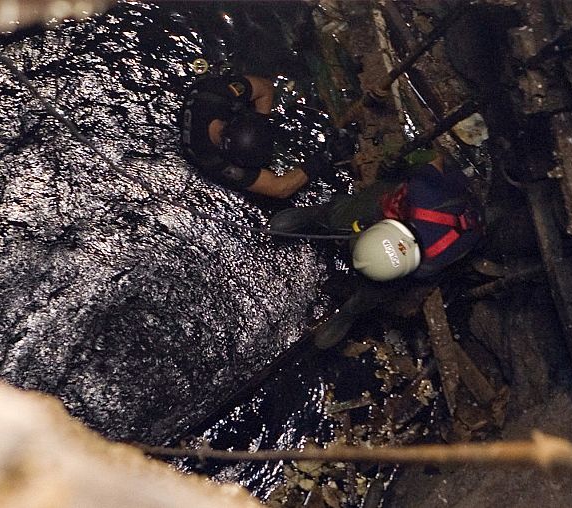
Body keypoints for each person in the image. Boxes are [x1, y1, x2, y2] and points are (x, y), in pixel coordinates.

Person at [269, 150, 483, 347]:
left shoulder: (430, 261)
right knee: (347, 214)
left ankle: (351, 310)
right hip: (420, 206)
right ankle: (318, 214)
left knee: (380, 289)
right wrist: (406, 161)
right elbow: (434, 157)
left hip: (443, 214)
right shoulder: (421, 189)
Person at [179, 67, 329, 198]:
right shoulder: (210, 160)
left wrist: (261, 121)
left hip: (209, 91)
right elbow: (280, 189)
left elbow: (266, 87)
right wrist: (324, 157)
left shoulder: (217, 92)